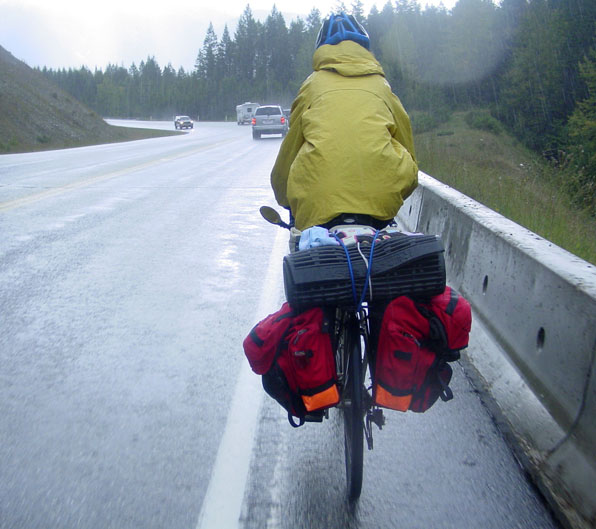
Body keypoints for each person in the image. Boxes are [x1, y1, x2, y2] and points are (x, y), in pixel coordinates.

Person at [270, 12, 418, 234]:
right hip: (381, 201)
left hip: (318, 204)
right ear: (365, 48)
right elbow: (408, 151)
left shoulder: (312, 86)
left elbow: (289, 153)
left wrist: (284, 196)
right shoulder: (382, 86)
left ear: (321, 49)